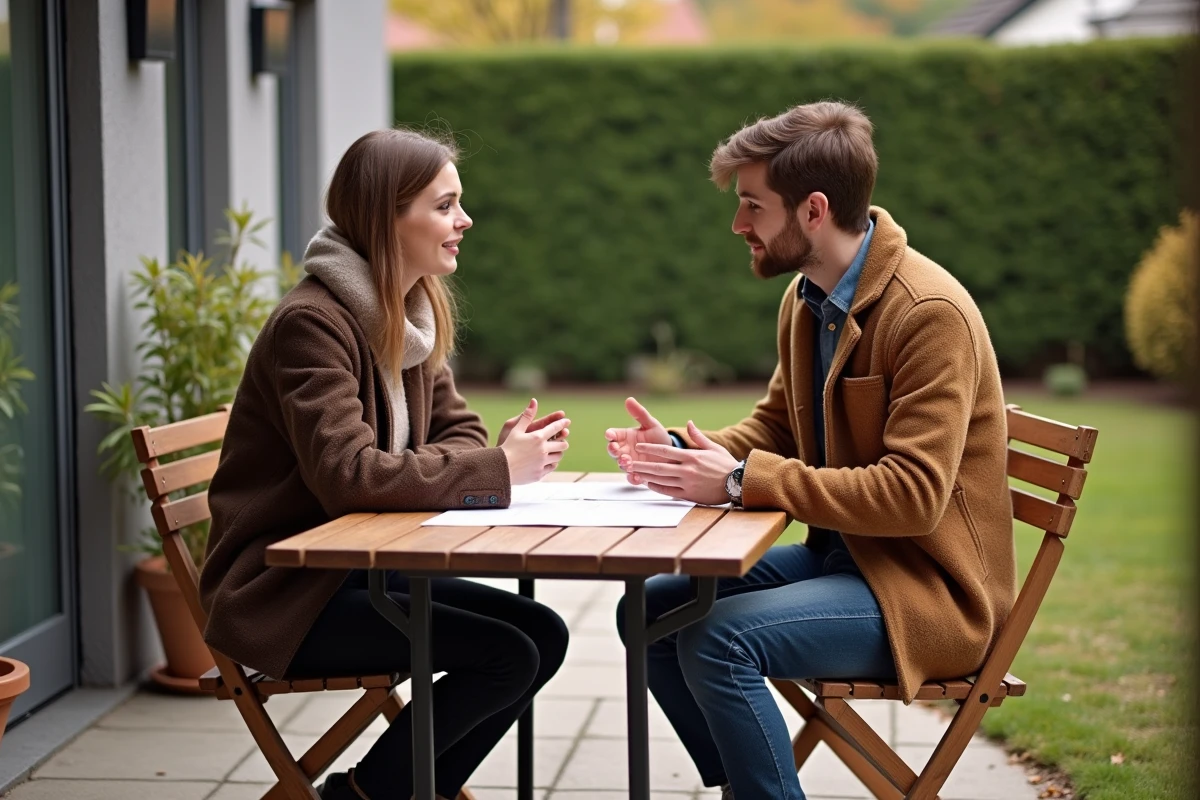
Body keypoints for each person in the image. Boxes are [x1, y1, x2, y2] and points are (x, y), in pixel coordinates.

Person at [604, 101, 1017, 800]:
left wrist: (738, 482)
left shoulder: (927, 315)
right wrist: (677, 454)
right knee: (648, 611)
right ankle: (748, 784)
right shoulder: (807, 298)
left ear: (814, 210)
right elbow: (775, 428)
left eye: (753, 207)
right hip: (845, 560)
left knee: (719, 640)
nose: (739, 225)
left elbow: (914, 496)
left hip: (927, 593)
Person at [200, 128, 572, 800]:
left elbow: (458, 431)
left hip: (365, 569)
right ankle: (363, 796)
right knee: (508, 654)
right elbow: (348, 475)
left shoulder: (412, 312)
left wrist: (485, 461)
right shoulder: (312, 324)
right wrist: (493, 469)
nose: (465, 221)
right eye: (445, 205)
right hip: (285, 593)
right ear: (386, 215)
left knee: (542, 632)